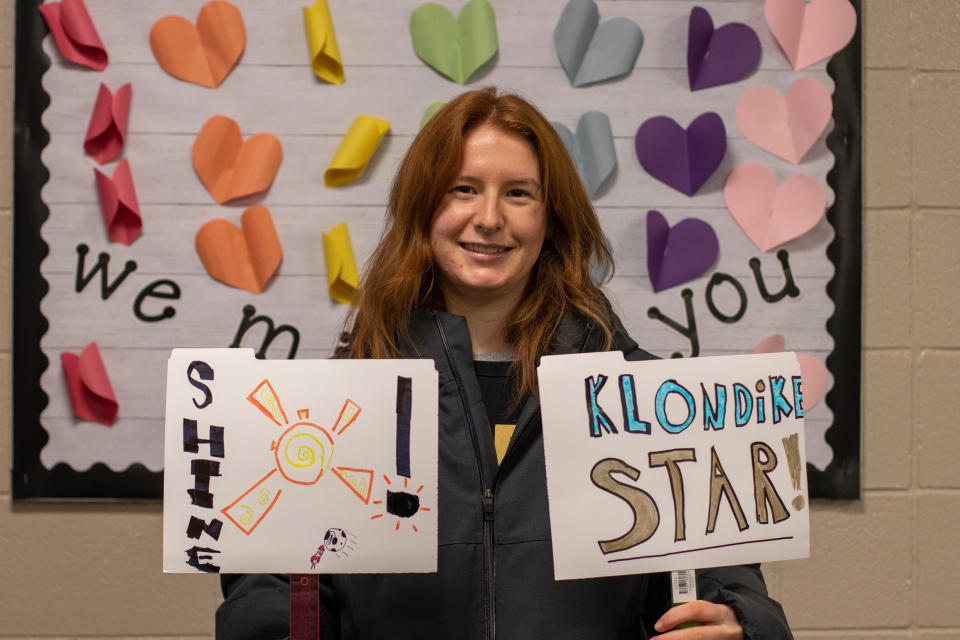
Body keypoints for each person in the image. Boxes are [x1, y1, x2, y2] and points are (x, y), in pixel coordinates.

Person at [216, 87, 793, 639]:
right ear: (422, 208)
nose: (489, 217)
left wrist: (743, 621)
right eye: (463, 189)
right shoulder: (335, 402)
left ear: (551, 217)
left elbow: (723, 577)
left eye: (518, 193)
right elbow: (273, 582)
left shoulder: (644, 398)